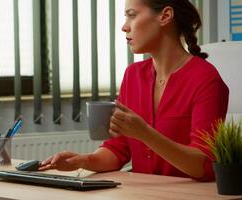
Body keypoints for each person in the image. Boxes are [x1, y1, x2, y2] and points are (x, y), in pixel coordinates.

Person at [39, 0, 229, 181]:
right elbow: (118, 149)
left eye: (132, 15)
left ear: (165, 16)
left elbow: (203, 164)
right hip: (140, 193)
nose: (124, 27)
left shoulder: (205, 79)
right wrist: (83, 161)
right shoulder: (133, 75)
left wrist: (144, 133)